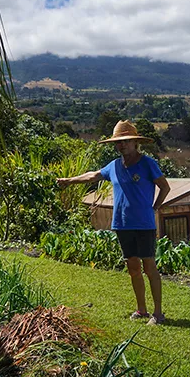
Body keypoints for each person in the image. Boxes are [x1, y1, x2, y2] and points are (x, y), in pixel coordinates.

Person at [58, 120, 171, 325]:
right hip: (122, 225)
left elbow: (165, 187)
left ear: (135, 143)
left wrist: (154, 208)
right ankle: (142, 310)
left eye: (126, 141)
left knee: (149, 267)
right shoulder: (114, 166)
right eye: (119, 142)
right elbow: (93, 176)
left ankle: (158, 314)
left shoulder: (147, 164)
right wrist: (69, 181)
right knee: (133, 268)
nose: (122, 145)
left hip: (144, 225)